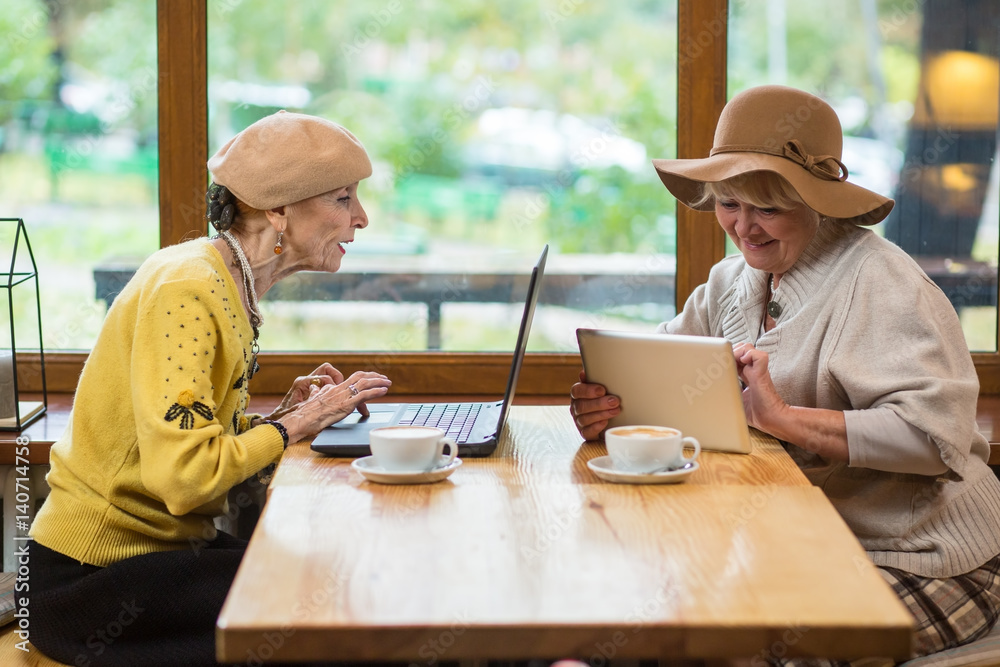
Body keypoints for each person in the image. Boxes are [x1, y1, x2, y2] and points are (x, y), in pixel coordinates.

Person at [570, 85, 1000, 666]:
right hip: (800, 542)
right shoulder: (730, 282)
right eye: (728, 203)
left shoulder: (882, 283)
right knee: (644, 617)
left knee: (750, 654)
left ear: (817, 201)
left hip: (923, 555)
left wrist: (784, 419)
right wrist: (608, 407)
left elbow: (932, 441)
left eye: (767, 208)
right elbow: (658, 371)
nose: (743, 228)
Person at [23, 111, 393, 666]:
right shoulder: (190, 289)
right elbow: (185, 478)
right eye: (342, 199)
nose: (361, 218)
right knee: (332, 604)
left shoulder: (222, 280)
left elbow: (186, 433)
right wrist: (294, 425)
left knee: (336, 577)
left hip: (151, 559)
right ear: (279, 210)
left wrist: (288, 414)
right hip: (91, 586)